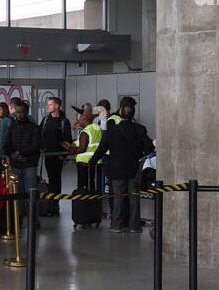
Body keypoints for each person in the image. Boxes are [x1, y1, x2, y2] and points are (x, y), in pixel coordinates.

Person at [87, 96, 154, 232]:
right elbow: (149, 148)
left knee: (117, 198)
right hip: (133, 169)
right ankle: (134, 226)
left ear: (121, 110)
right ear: (133, 113)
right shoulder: (140, 129)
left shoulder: (111, 130)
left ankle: (116, 225)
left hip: (116, 169)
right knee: (134, 198)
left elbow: (101, 149)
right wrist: (139, 154)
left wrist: (92, 162)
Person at [5, 99, 42, 226]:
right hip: (15, 165)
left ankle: (34, 221)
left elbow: (36, 146)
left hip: (29, 165)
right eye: (16, 113)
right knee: (17, 195)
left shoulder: (34, 128)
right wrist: (12, 154)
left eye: (21, 113)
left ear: (26, 113)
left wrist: (21, 153)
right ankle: (17, 221)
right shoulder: (12, 127)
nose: (18, 115)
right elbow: (6, 145)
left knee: (30, 194)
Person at [40, 96, 73, 215]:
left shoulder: (64, 122)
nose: (47, 106)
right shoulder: (45, 120)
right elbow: (40, 135)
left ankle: (55, 204)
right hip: (48, 155)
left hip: (59, 156)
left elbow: (68, 139)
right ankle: (50, 203)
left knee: (56, 179)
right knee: (50, 178)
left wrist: (63, 156)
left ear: (57, 106)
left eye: (50, 104)